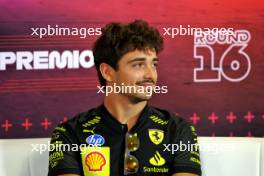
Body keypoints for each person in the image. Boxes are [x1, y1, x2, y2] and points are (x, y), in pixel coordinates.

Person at [48, 20, 201, 176]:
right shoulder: (70, 133)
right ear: (107, 72)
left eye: (154, 64)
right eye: (138, 64)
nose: (150, 75)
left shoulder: (177, 129)